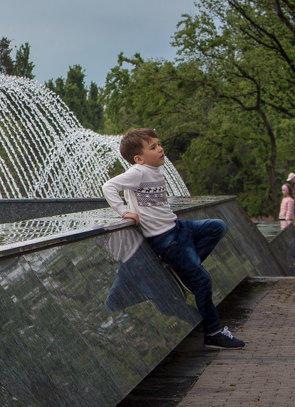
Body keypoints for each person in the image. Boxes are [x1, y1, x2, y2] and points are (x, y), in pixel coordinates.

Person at [102, 127, 246, 349]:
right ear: (138, 159)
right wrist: (124, 212)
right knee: (202, 281)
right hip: (165, 240)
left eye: (159, 144)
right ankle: (214, 331)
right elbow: (109, 186)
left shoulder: (154, 169)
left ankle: (184, 271)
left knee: (216, 227)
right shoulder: (138, 172)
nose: (160, 149)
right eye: (153, 147)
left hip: (178, 227)